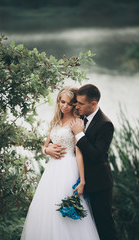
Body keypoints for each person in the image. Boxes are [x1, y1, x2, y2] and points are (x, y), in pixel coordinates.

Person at [20, 86, 100, 240]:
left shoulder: (77, 123)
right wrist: (46, 150)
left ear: (75, 105)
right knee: (47, 208)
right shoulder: (55, 121)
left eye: (69, 103)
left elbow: (79, 154)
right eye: (62, 102)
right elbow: (44, 146)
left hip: (68, 169)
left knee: (65, 207)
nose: (64, 106)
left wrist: (82, 180)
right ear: (58, 101)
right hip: (52, 170)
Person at [69, 84, 118, 240]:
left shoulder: (106, 124)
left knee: (104, 226)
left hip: (99, 184)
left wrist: (79, 135)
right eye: (77, 102)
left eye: (81, 103)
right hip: (79, 182)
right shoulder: (80, 117)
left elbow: (96, 154)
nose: (77, 106)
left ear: (94, 104)